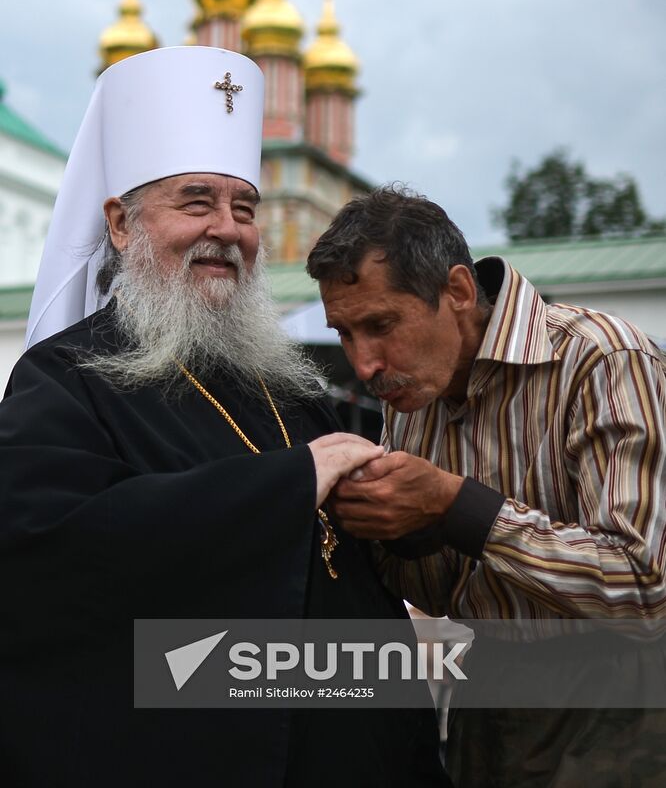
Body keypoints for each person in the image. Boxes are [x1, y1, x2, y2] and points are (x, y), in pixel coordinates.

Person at [0, 50, 450, 788]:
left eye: (245, 209)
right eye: (196, 201)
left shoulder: (288, 386)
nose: (228, 229)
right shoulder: (67, 378)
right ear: (119, 223)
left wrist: (418, 511)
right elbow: (48, 549)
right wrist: (289, 484)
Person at [306, 185, 666, 788]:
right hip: (488, 693)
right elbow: (444, 592)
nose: (364, 363)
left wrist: (456, 504)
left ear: (458, 292)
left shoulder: (601, 359)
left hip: (626, 699)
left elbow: (644, 585)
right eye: (345, 333)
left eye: (380, 324)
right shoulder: (412, 391)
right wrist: (401, 530)